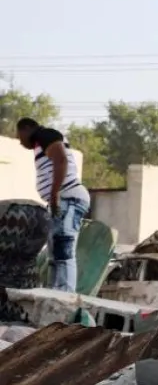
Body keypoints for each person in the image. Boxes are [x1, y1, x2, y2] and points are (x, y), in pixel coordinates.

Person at [14, 118, 91, 292]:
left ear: (27, 129)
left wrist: (54, 193)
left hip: (68, 197)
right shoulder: (40, 144)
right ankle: (55, 293)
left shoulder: (44, 134)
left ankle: (64, 296)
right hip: (61, 199)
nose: (20, 142)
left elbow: (61, 160)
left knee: (63, 250)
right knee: (55, 252)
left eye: (20, 136)